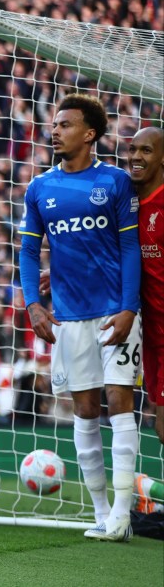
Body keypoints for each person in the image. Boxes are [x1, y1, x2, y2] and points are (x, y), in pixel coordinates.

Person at [18, 93, 142, 542]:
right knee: (85, 410)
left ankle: (124, 515)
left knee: (119, 400)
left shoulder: (114, 182)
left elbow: (130, 248)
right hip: (68, 316)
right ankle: (103, 512)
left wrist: (129, 307)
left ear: (89, 133)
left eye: (65, 124)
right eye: (54, 124)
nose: (55, 130)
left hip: (114, 311)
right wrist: (34, 303)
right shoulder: (40, 189)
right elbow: (29, 251)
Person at [129, 127, 164, 444]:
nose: (136, 156)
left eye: (147, 150)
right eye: (132, 149)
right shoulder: (127, 202)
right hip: (151, 336)